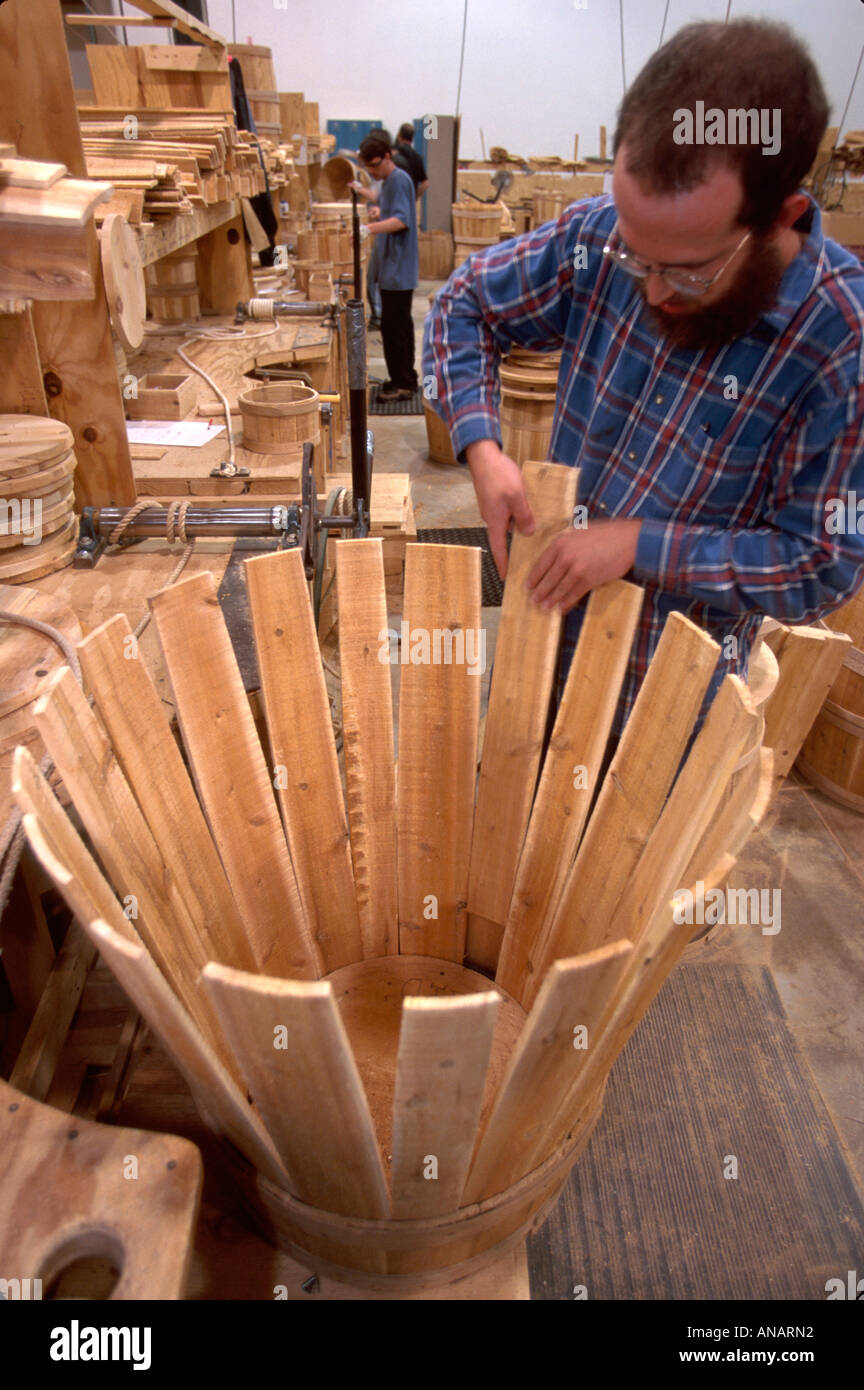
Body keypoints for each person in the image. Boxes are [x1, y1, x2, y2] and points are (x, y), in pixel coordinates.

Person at [423, 17, 864, 737]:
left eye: (688, 271)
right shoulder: (599, 239)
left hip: (658, 705)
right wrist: (482, 448)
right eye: (637, 258)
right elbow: (463, 303)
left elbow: (820, 566)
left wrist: (639, 545)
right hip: (540, 645)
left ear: (780, 216)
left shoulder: (842, 344)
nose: (652, 293)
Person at [359, 131, 419, 401]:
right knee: (398, 327)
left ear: (387, 157)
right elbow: (393, 212)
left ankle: (403, 384)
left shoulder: (397, 179)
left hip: (398, 270)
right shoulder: (391, 181)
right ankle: (403, 378)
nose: (372, 172)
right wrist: (379, 212)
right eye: (368, 167)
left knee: (395, 329)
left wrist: (368, 228)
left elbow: (402, 220)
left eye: (374, 165)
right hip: (394, 270)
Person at [396, 122, 430, 198]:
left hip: (396, 199)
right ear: (412, 137)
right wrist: (414, 197)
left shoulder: (394, 154)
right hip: (409, 202)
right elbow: (425, 183)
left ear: (399, 135)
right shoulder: (417, 157)